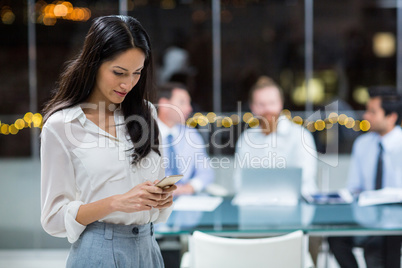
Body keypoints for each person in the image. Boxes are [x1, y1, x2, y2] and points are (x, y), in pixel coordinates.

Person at [40, 15, 176, 268]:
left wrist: (161, 200)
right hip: (98, 251)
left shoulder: (147, 114)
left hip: (148, 249)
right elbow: (54, 218)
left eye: (137, 73)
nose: (128, 83)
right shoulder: (62, 126)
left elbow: (157, 204)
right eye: (119, 72)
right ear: (93, 64)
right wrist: (116, 203)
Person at [233, 76, 320, 263]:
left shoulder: (300, 136)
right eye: (261, 104)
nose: (267, 110)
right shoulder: (246, 139)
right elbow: (240, 182)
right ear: (252, 107)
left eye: (271, 103)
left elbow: (306, 178)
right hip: (255, 217)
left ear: (280, 103)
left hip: (296, 217)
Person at [328, 86, 402, 268]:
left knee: (376, 248)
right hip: (367, 219)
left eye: (372, 112)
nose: (365, 116)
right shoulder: (362, 144)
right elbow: (354, 187)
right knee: (336, 239)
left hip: (396, 222)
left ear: (391, 117)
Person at [156, 82, 214, 195]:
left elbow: (207, 173)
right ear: (164, 105)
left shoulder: (192, 135)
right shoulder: (142, 136)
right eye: (182, 102)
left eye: (189, 103)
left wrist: (190, 187)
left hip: (186, 202)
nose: (189, 108)